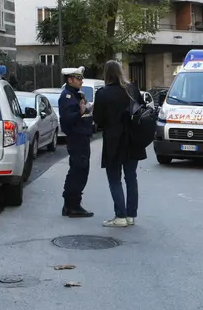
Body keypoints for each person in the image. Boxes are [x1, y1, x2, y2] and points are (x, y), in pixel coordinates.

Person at [93, 60, 147, 228]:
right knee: (131, 177)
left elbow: (98, 120)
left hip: (113, 141)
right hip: (132, 139)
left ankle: (120, 216)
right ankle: (131, 215)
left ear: (106, 74)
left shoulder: (103, 93)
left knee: (114, 179)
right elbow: (142, 109)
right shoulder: (132, 89)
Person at [58, 66, 95, 218]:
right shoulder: (67, 96)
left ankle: (70, 205)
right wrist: (80, 112)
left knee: (80, 171)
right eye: (78, 78)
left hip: (82, 137)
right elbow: (67, 119)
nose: (81, 81)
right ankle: (72, 205)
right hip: (77, 138)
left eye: (81, 78)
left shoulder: (76, 95)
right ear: (70, 79)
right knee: (78, 171)